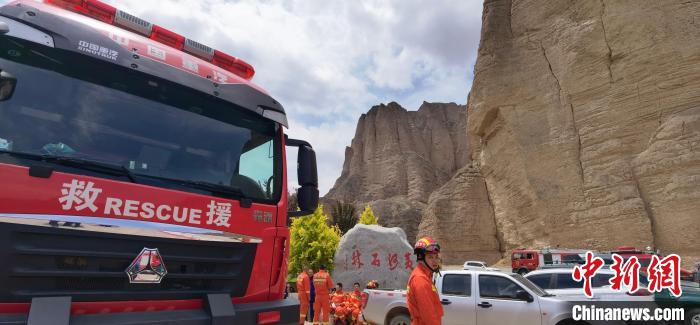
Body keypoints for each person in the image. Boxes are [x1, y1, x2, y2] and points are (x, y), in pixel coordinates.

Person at [406, 237, 443, 325]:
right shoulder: (420, 279)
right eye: (430, 257)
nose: (435, 261)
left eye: (436, 256)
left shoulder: (425, 275)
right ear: (421, 258)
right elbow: (428, 315)